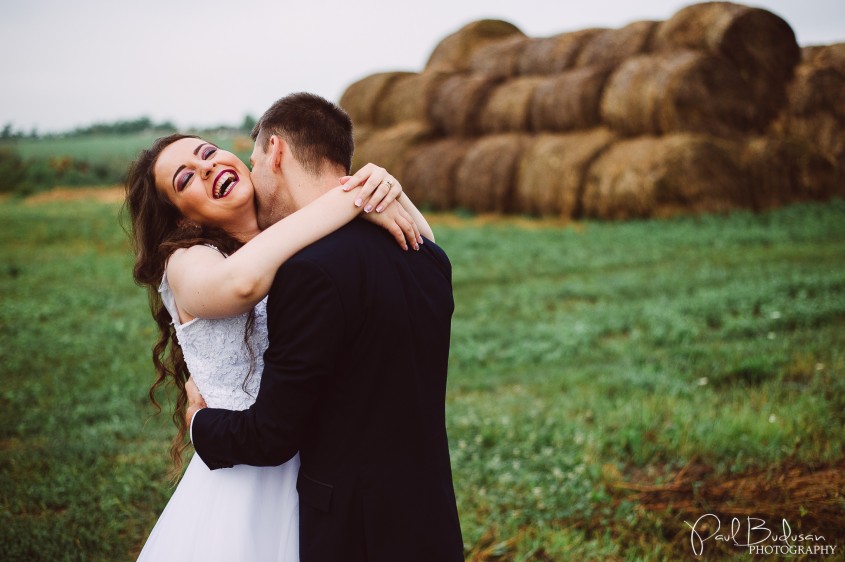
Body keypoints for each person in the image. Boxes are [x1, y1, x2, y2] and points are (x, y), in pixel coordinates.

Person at [126, 122, 428, 559]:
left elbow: (425, 253)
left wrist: (387, 190)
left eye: (208, 153)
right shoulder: (186, 262)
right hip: (244, 481)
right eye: (186, 177)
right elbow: (242, 283)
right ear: (181, 216)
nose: (206, 168)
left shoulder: (301, 238)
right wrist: (351, 195)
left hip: (323, 470)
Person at [187, 92, 465, 561]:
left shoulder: (308, 272)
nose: (252, 182)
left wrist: (198, 423)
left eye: (254, 163)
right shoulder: (428, 256)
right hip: (432, 519)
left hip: (356, 535)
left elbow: (272, 435)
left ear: (276, 152)